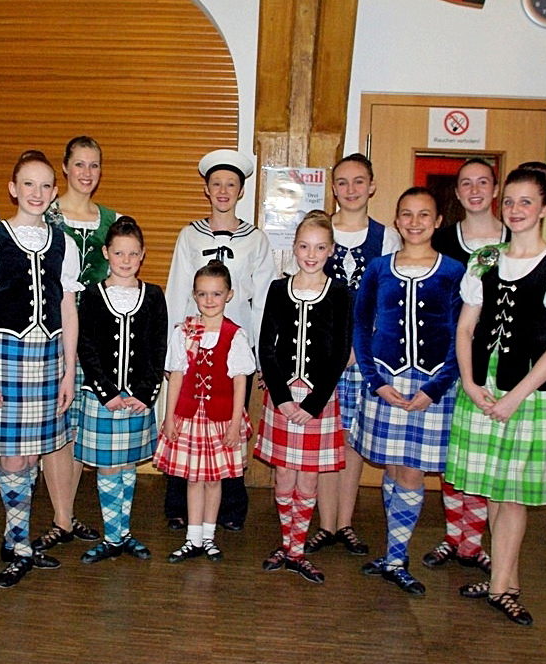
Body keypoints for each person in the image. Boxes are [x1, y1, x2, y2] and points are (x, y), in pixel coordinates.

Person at [446, 167, 546, 626]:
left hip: (531, 390)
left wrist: (514, 397)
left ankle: (500, 586)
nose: (515, 210)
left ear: (544, 208)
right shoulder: (486, 259)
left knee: (512, 494)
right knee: (493, 488)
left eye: (526, 201)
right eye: (509, 201)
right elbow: (466, 327)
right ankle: (505, 580)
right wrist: (470, 382)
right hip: (483, 385)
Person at [0, 150, 82, 587]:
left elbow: (68, 309)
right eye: (28, 184)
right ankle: (19, 545)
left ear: (54, 193)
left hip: (49, 356)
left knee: (34, 453)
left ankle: (14, 536)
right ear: (13, 189)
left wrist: (69, 371)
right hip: (3, 355)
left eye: (45, 186)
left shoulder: (64, 243)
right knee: (14, 455)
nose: (37, 193)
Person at [353, 187, 465, 594]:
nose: (415, 222)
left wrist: (436, 387)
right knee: (393, 467)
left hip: (432, 386)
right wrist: (376, 382)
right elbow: (361, 326)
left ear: (438, 221)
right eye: (407, 214)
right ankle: (391, 552)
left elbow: (462, 335)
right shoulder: (378, 269)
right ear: (397, 220)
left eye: (424, 214)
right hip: (386, 383)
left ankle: (398, 558)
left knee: (412, 470)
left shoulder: (454, 271)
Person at [163, 149, 276, 532]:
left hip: (234, 345)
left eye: (231, 184)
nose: (223, 191)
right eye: (216, 184)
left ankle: (229, 507)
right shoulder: (189, 235)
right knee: (188, 421)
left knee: (228, 423)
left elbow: (263, 300)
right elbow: (177, 289)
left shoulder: (255, 239)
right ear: (207, 190)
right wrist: (171, 351)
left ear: (241, 191)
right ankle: (180, 505)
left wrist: (261, 353)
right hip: (193, 344)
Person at [307, 153, 400, 557]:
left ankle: (345, 523)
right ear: (333, 188)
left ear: (372, 186)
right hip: (320, 354)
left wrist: (358, 351)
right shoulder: (319, 231)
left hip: (365, 356)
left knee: (353, 440)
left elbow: (390, 302)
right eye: (342, 182)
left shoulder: (387, 238)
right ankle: (325, 524)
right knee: (325, 438)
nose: (350, 190)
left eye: (359, 181)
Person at [30, 135, 118, 554]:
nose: (86, 172)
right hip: (52, 332)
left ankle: (65, 513)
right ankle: (61, 517)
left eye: (94, 165)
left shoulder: (112, 220)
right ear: (64, 167)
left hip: (98, 338)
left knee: (81, 427)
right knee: (57, 426)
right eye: (79, 164)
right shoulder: (44, 214)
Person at [256, 211, 352, 584]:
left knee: (308, 480)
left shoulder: (340, 292)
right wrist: (281, 398)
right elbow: (267, 348)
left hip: (318, 400)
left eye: (319, 248)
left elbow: (340, 351)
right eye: (304, 246)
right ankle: (287, 543)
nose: (311, 255)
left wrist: (313, 404)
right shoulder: (278, 289)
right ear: (294, 248)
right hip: (282, 396)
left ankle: (297, 551)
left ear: (331, 250)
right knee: (284, 475)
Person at [423, 158, 508, 574]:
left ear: (495, 189)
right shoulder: (441, 241)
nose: (475, 190)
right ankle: (454, 536)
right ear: (456, 193)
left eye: (483, 182)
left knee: (486, 456)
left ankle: (473, 543)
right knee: (453, 453)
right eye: (466, 184)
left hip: (498, 361)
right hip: (447, 359)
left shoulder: (517, 239)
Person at [75, 217, 167, 563]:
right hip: (102, 398)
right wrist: (107, 392)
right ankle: (113, 537)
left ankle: (122, 533)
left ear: (142, 254)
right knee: (108, 467)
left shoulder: (154, 295)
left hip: (138, 399)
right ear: (106, 253)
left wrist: (146, 393)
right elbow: (86, 346)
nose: (125, 260)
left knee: (127, 464)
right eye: (118, 253)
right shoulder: (92, 296)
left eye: (132, 253)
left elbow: (158, 348)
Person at [154, 261, 254, 563]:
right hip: (188, 417)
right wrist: (169, 416)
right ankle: (192, 538)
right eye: (202, 294)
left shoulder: (234, 335)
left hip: (220, 419)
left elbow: (240, 382)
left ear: (229, 295)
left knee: (214, 480)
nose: (209, 300)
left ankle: (209, 536)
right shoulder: (183, 332)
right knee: (193, 479)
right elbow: (176, 377)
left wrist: (235, 423)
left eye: (216, 294)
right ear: (194, 295)